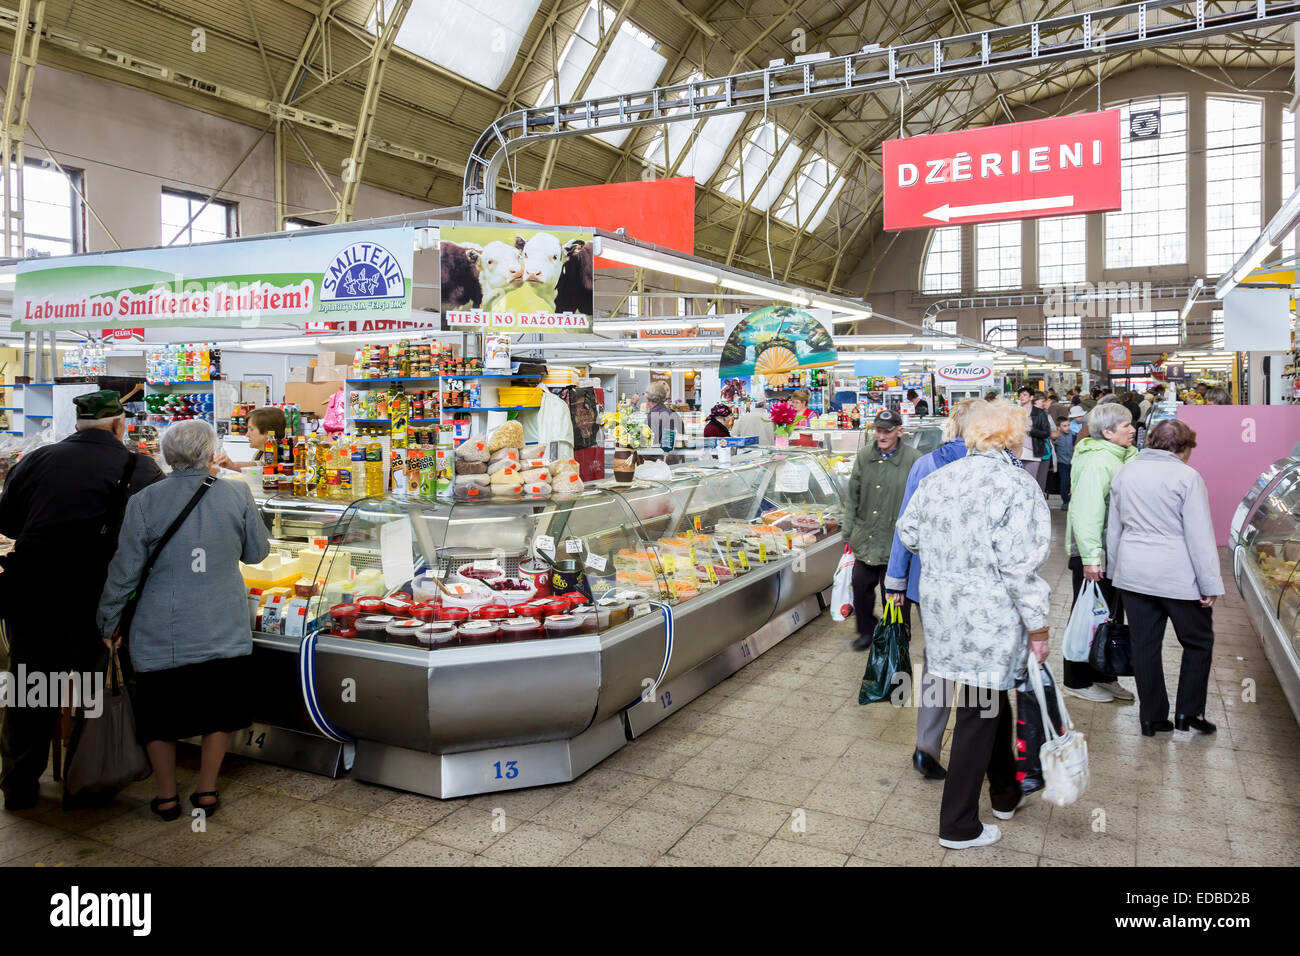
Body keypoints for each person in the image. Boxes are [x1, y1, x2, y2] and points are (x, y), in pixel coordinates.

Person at [895, 399, 1051, 850]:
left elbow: (909, 534)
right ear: (1012, 436)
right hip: (992, 617)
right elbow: (1022, 566)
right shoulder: (1016, 485)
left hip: (943, 611)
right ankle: (958, 824)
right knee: (980, 711)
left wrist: (948, 557)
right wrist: (1038, 628)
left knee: (988, 698)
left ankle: (1004, 791)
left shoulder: (940, 477)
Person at [98, 420, 270, 821]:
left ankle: (166, 796)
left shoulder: (144, 500)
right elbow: (257, 553)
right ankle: (206, 791)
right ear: (212, 452)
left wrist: (108, 623)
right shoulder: (237, 492)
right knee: (219, 711)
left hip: (161, 629)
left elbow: (124, 571)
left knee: (160, 715)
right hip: (222, 622)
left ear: (166, 454)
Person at [0, 390, 164, 810]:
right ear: (119, 425)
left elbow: (10, 523)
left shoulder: (35, 460)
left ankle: (19, 784)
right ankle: (87, 782)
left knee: (32, 686)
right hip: (98, 595)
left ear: (78, 423)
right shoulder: (138, 466)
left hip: (32, 590)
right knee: (95, 687)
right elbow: (154, 534)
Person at [1106, 419, 1223, 737]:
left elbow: (1114, 529)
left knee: (1144, 644)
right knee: (1198, 641)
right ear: (1182, 448)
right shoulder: (1187, 477)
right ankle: (1188, 712)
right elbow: (1199, 535)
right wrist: (1209, 583)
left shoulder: (1125, 472)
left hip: (1133, 573)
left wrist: (1117, 572)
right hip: (1177, 576)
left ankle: (1152, 717)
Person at [885, 398, 978, 781]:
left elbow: (905, 528)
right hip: (977, 585)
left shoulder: (925, 465)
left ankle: (926, 745)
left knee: (938, 663)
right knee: (977, 666)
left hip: (930, 583)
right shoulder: (997, 468)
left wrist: (896, 582)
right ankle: (976, 747)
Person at [1062, 403, 1138, 702]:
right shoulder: (1098, 462)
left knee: (1108, 616)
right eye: (1126, 426)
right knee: (1087, 617)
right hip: (1094, 553)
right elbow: (1086, 512)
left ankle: (1104, 672)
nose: (1133, 430)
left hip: (1110, 551)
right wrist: (1092, 559)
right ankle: (1077, 680)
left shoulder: (1119, 456)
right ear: (1107, 432)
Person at [841, 409, 922, 652]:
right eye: (878, 430)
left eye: (887, 430)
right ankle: (866, 630)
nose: (882, 435)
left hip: (896, 541)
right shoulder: (865, 455)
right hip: (865, 537)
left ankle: (898, 632)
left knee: (895, 593)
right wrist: (848, 532)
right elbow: (852, 497)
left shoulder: (914, 460)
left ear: (900, 431)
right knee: (861, 587)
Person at [214, 406, 287, 471]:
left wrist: (233, 465)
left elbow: (263, 470)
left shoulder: (282, 454)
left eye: (251, 429)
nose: (247, 435)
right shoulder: (260, 454)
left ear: (268, 433)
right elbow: (256, 468)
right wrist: (231, 465)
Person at [1017, 387, 1054, 492]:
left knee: (1031, 482)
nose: (1021, 397)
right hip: (1017, 451)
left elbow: (1046, 432)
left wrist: (1031, 429)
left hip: (1033, 452)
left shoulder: (1039, 413)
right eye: (1020, 395)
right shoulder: (1016, 412)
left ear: (1031, 397)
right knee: (1019, 483)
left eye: (1024, 395)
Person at [645, 382, 684, 463]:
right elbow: (682, 436)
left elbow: (649, 444)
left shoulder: (652, 416)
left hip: (658, 463)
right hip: (673, 460)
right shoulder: (674, 414)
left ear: (648, 399)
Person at [1054, 410, 1081, 510]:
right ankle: (1065, 501)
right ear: (1059, 427)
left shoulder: (1074, 435)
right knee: (1064, 482)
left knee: (1074, 482)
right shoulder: (1057, 437)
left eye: (1068, 425)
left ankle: (1074, 500)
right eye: (1064, 426)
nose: (1067, 427)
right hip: (1062, 463)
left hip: (1073, 463)